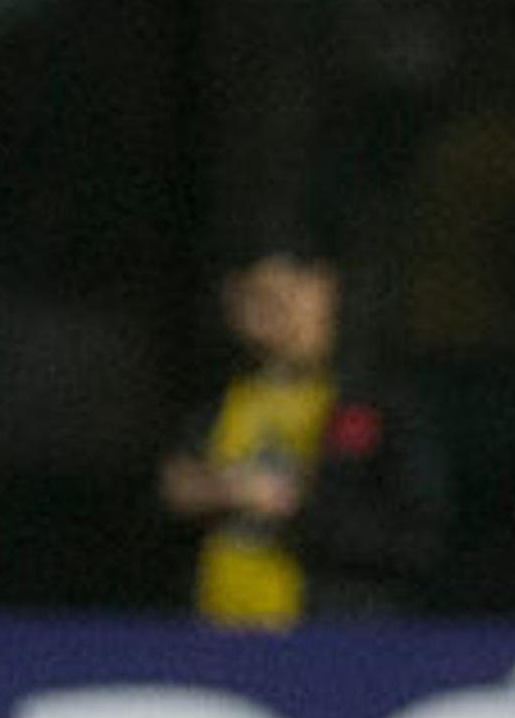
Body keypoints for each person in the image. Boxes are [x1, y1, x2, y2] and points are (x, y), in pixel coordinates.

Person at [157, 241, 443, 628]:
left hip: (327, 638)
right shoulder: (214, 401)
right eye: (252, 296)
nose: (265, 310)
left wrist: (299, 507)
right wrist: (215, 492)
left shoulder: (376, 403)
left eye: (282, 295)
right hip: (214, 635)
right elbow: (172, 492)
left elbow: (415, 538)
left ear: (322, 290)